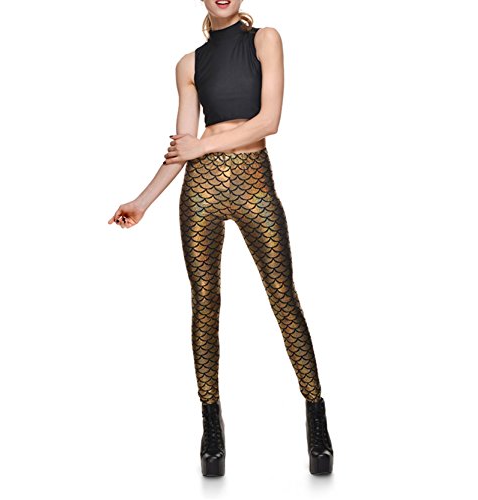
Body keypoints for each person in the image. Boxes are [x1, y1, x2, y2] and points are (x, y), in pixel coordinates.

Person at [108, 0, 333, 477]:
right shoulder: (188, 64)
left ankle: (316, 415)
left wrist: (203, 145)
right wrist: (142, 201)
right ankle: (211, 423)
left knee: (283, 295)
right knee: (204, 300)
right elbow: (182, 148)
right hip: (202, 188)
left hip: (254, 181)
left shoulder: (265, 39)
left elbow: (269, 121)